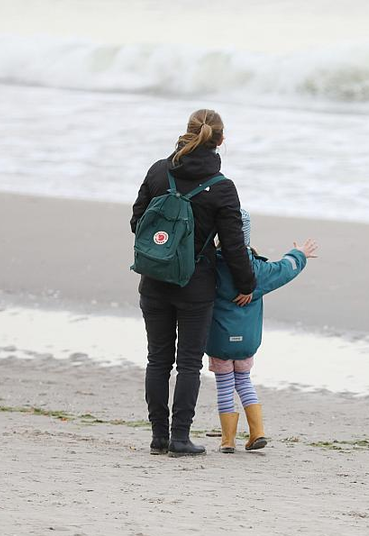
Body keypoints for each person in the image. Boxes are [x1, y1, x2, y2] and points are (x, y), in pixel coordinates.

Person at [131, 109, 256, 457]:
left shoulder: (158, 170)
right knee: (188, 363)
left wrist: (166, 245)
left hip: (154, 280)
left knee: (157, 360)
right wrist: (246, 284)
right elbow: (233, 246)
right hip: (196, 286)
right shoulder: (222, 188)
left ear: (187, 132)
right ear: (220, 140)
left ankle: (158, 437)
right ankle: (180, 438)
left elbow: (137, 222)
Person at [206, 209, 318, 453]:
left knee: (225, 386)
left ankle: (227, 441)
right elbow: (284, 269)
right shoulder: (258, 270)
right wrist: (299, 254)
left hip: (218, 342)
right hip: (247, 342)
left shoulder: (211, 267)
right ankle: (257, 433)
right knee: (244, 382)